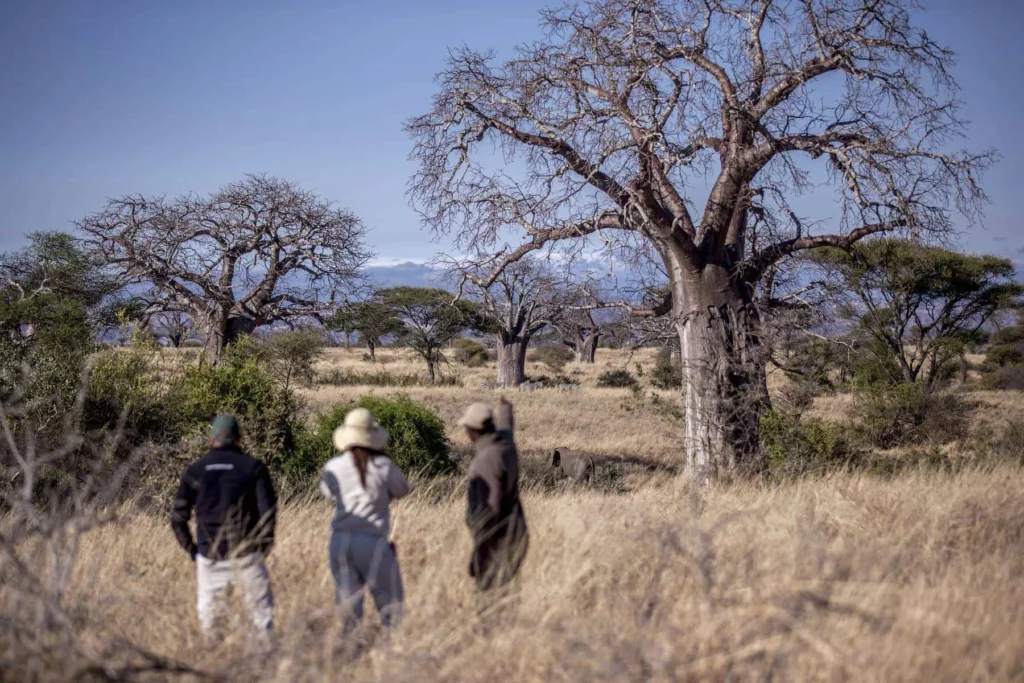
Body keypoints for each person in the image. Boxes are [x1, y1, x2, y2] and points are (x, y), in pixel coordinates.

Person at [170, 414, 277, 636]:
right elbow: (268, 513)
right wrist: (262, 547)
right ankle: (264, 667)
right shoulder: (253, 468)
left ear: (211, 440)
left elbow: (178, 518)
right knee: (261, 623)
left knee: (211, 628)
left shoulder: (195, 471)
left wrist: (194, 552)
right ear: (239, 439)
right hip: (247, 555)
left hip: (210, 556)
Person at [321, 408, 411, 632]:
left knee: (348, 608)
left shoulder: (334, 467)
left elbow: (329, 493)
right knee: (392, 605)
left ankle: (349, 655)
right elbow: (402, 489)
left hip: (340, 541)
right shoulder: (382, 466)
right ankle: (392, 652)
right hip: (372, 541)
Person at [458, 397, 529, 592]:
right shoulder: (506, 446)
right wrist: (505, 405)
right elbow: (507, 427)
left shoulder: (485, 462)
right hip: (517, 532)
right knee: (508, 591)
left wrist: (479, 552)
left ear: (472, 431)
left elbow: (491, 510)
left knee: (492, 597)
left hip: (497, 539)